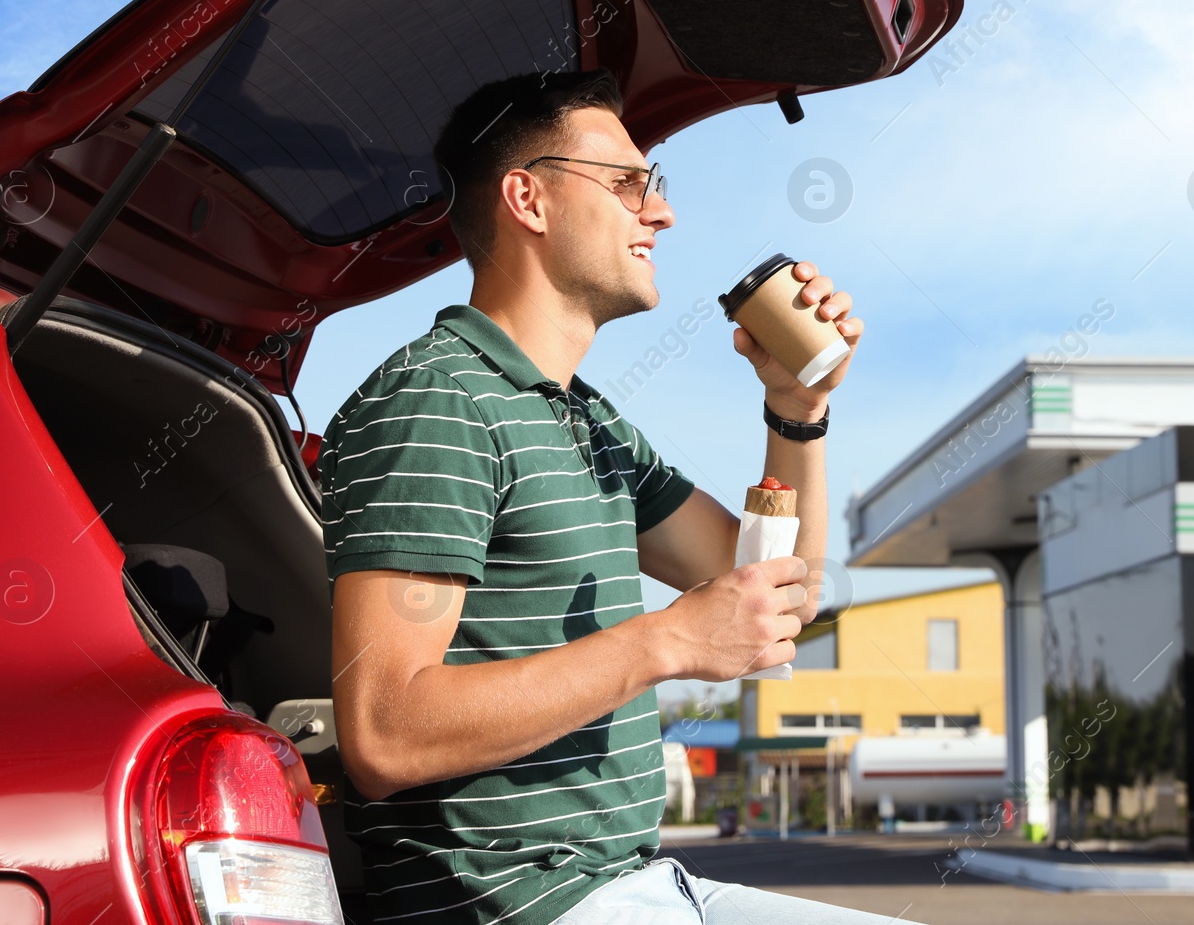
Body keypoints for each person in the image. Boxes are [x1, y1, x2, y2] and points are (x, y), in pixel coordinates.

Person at [323, 69, 897, 924]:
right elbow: (383, 732)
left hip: (633, 882)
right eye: (628, 184)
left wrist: (797, 410)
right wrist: (664, 641)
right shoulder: (438, 399)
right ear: (529, 198)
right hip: (515, 902)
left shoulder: (590, 422)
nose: (659, 213)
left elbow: (782, 604)